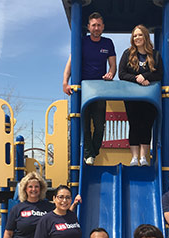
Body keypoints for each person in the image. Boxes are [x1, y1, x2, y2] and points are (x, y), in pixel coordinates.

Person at [63, 12, 116, 165]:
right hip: (82, 88)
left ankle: (94, 151)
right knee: (84, 124)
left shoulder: (108, 43)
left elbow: (113, 65)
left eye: (99, 25)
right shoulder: (81, 42)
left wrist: (111, 73)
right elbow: (71, 62)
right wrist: (65, 81)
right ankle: (88, 154)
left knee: (100, 126)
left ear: (103, 27)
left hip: (99, 89)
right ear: (88, 27)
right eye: (93, 25)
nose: (96, 28)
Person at [119, 25, 163, 167]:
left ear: (145, 37)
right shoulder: (128, 54)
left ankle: (144, 158)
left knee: (146, 125)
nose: (137, 38)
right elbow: (122, 74)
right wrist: (136, 79)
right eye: (135, 36)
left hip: (149, 96)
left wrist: (145, 76)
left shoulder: (155, 55)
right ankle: (134, 157)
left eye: (140, 35)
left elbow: (159, 73)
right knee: (134, 124)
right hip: (132, 96)